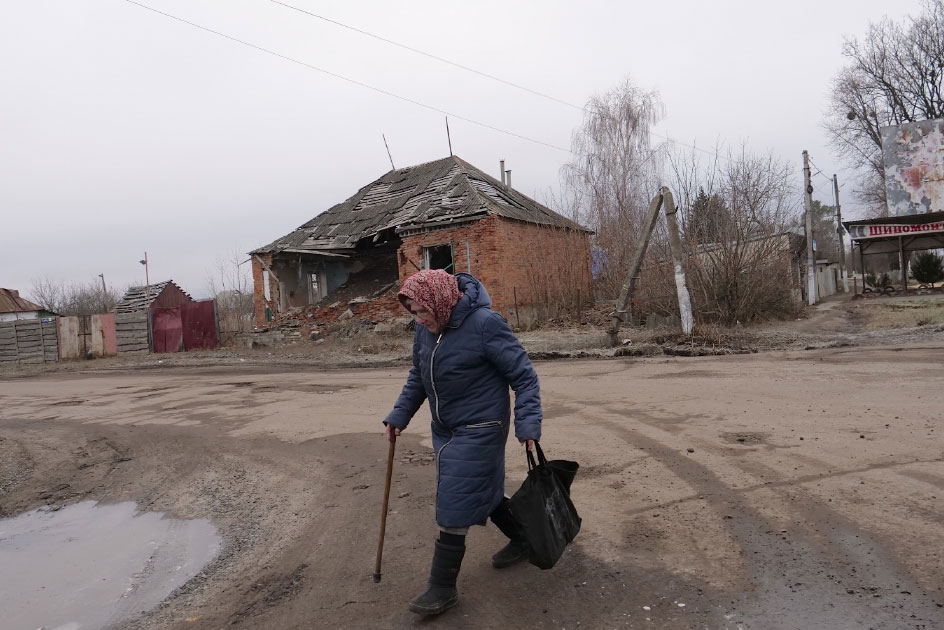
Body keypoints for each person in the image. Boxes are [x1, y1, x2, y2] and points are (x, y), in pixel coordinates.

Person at [383, 269, 542, 615]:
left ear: (440, 301)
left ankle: (442, 587)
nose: (420, 319)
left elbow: (524, 377)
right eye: (413, 313)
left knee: (455, 497)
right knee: (477, 487)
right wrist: (399, 416)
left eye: (423, 311)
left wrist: (528, 425)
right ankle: (524, 538)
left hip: (482, 426)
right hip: (446, 429)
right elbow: (418, 376)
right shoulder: (424, 330)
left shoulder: (485, 324)